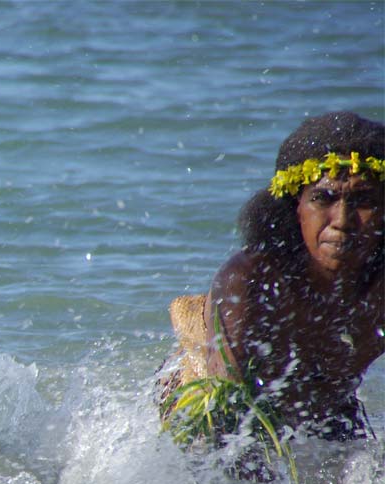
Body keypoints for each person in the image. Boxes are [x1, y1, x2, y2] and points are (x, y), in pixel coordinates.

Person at [162, 111, 384, 451]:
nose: (342, 220)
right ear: (294, 207)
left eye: (364, 201)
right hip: (210, 407)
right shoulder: (250, 281)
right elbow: (229, 418)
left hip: (328, 412)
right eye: (323, 198)